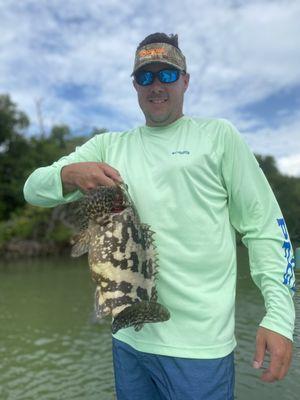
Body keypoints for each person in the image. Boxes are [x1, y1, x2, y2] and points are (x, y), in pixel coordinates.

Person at [24, 33, 296, 400]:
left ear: (185, 80)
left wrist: (279, 317)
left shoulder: (218, 137)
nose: (156, 85)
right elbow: (33, 189)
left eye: (167, 75)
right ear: (134, 84)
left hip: (199, 347)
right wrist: (68, 174)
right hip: (128, 336)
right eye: (145, 76)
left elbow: (263, 227)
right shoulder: (108, 146)